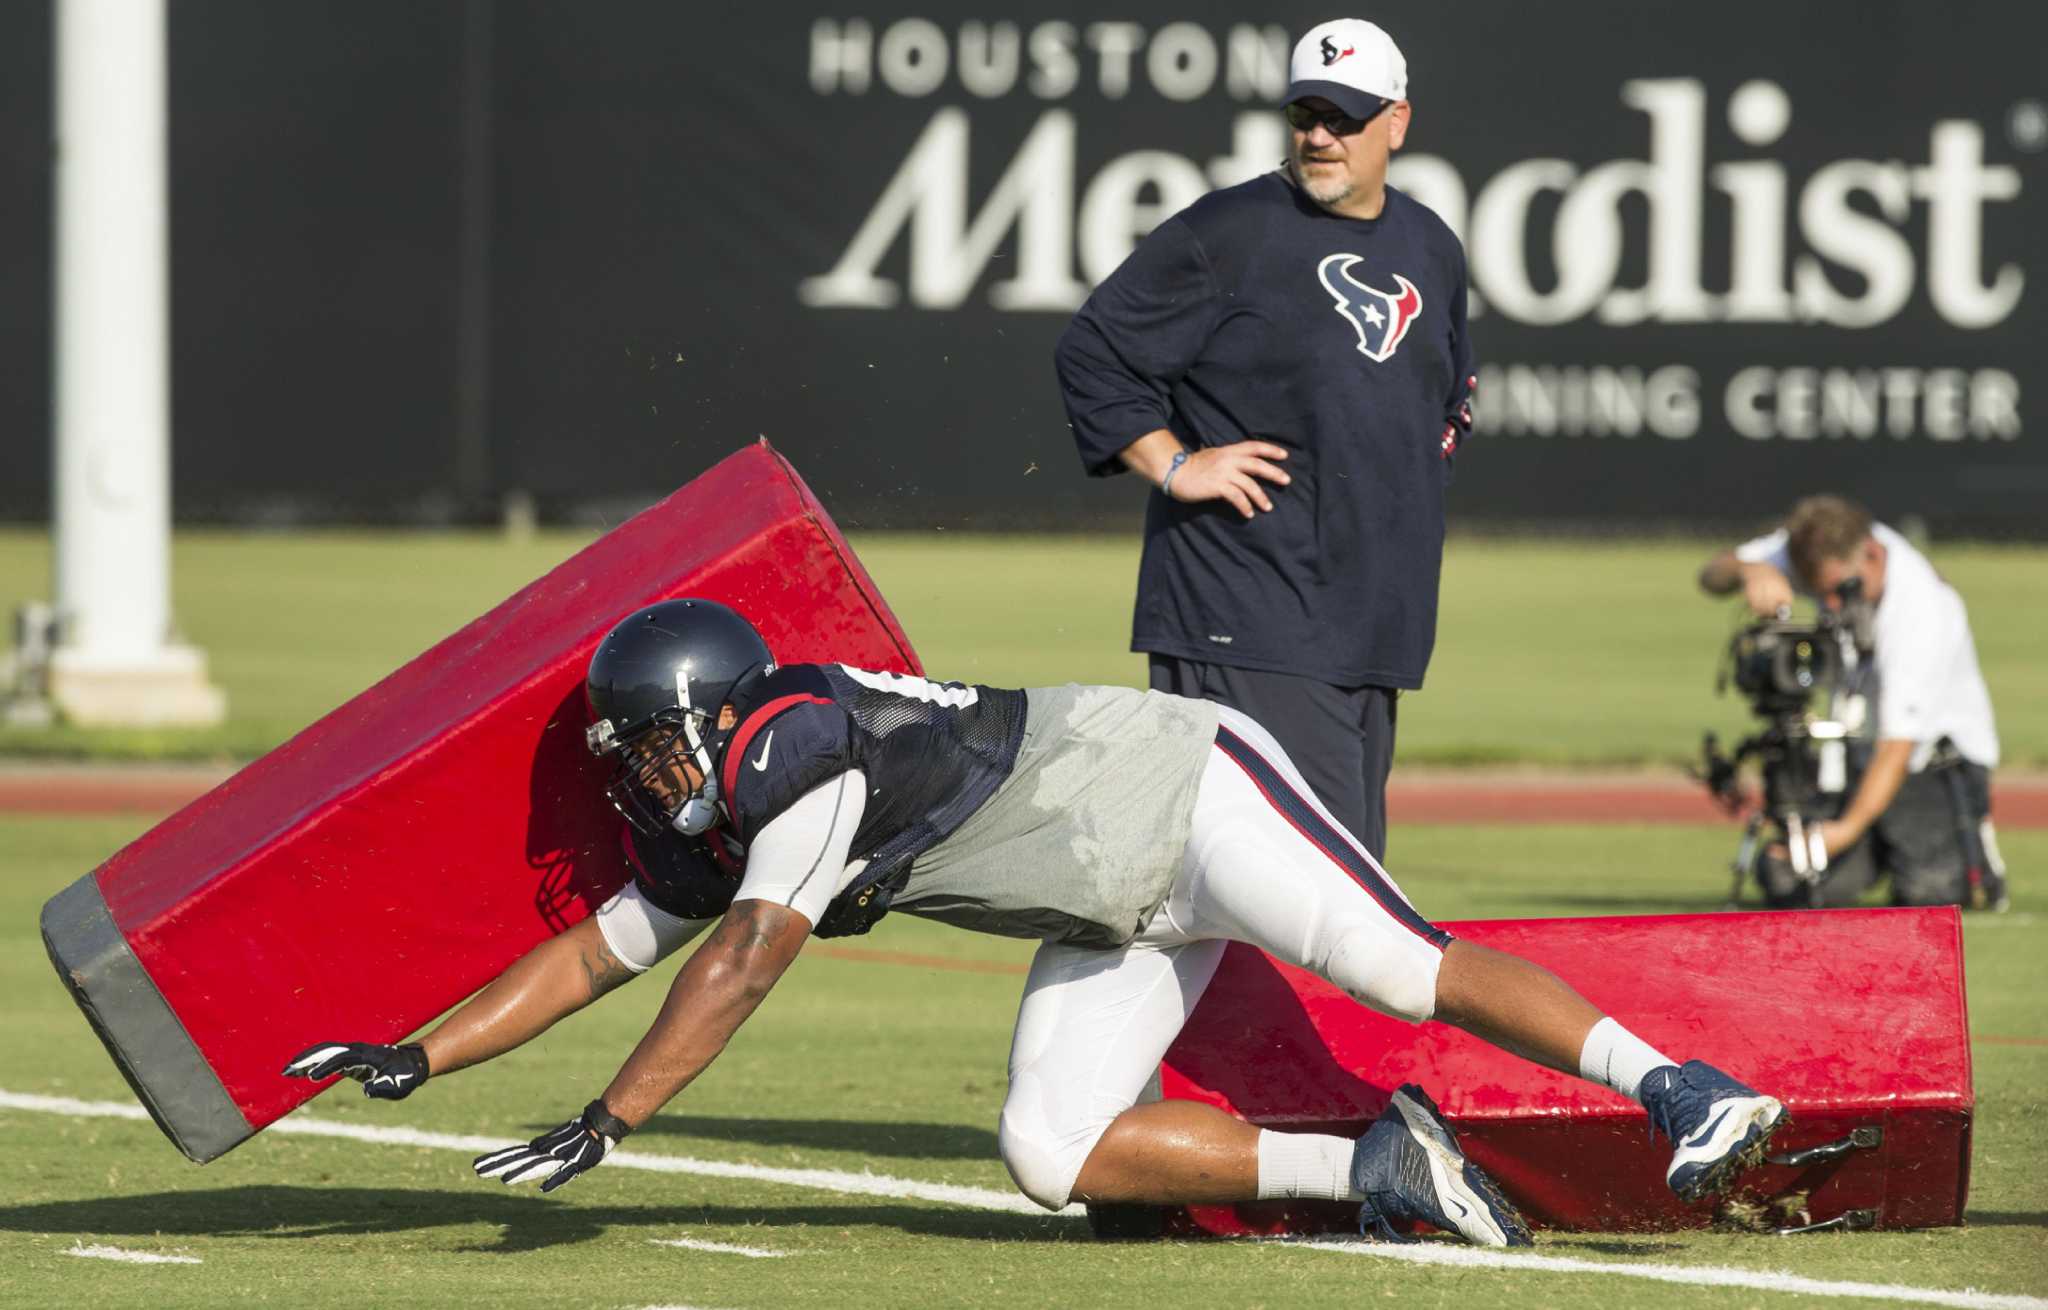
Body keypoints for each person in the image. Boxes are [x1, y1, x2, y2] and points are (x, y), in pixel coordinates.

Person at [285, 598, 1785, 1247]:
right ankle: (1377, 1157)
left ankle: (1682, 1084)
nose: (645, 775)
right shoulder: (727, 792)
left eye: (649, 744)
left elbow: (744, 961)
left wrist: (613, 1117)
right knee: (1048, 1150)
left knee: (1398, 960)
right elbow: (600, 945)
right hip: (1111, 891)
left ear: (706, 716)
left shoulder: (794, 747)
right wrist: (424, 1053)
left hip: (1189, 796)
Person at [1054, 17, 1475, 863]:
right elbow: (1093, 350)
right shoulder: (1231, 232)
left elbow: (1446, 392)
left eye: (1344, 116)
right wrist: (1174, 464)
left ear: (1397, 121)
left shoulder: (1429, 244)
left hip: (1368, 625)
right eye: (1305, 114)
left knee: (1326, 900)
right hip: (1246, 614)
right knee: (1311, 901)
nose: (1320, 135)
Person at [1698, 495, 2006, 910]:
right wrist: (1751, 569)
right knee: (1790, 882)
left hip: (1933, 762)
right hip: (1857, 754)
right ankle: (1873, 845)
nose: (1830, 607)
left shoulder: (1919, 610)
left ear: (1873, 555)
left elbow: (1898, 746)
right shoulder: (1811, 547)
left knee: (1929, 896)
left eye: (1839, 591)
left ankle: (1974, 852)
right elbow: (1711, 576)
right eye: (1818, 594)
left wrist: (1841, 833)